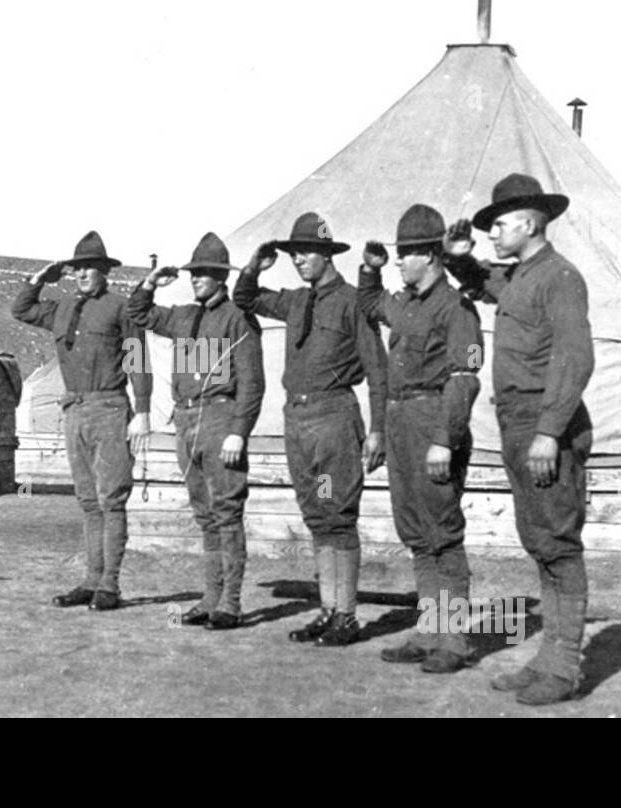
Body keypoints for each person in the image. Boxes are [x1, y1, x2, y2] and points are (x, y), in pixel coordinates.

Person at [443, 173, 595, 705]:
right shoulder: (523, 276)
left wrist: (550, 432)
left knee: (557, 543)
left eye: (499, 225)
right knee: (540, 543)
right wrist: (459, 257)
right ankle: (550, 659)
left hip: (543, 424)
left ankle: (564, 669)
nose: (492, 235)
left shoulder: (560, 277)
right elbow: (485, 282)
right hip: (518, 424)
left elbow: (575, 359)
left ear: (529, 223)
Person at [234, 212, 387, 646]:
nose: (298, 260)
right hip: (298, 425)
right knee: (318, 514)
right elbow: (246, 298)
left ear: (326, 255)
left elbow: (379, 372)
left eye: (306, 253)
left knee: (338, 514)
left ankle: (348, 615)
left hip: (334, 422)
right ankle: (328, 609)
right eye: (293, 253)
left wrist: (377, 431)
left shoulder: (354, 302)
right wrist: (252, 267)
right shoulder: (296, 301)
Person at [356, 204, 483, 674]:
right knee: (417, 535)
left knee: (443, 536)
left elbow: (466, 374)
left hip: (435, 421)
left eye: (404, 255)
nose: (398, 262)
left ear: (430, 256)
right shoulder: (404, 303)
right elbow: (371, 304)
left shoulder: (458, 307)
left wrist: (445, 439)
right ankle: (429, 632)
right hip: (400, 422)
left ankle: (454, 641)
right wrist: (368, 271)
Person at [128, 232, 264, 630]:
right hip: (185, 421)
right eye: (194, 273)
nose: (197, 279)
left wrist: (240, 430)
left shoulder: (237, 318)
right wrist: (151, 283)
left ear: (222, 277)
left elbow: (253, 383)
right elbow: (140, 314)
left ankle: (232, 603)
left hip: (221, 419)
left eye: (206, 273)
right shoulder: (184, 316)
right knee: (204, 516)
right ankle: (209, 597)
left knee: (227, 514)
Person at [11, 231, 152, 611]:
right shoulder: (62, 308)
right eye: (76, 268)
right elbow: (21, 310)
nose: (82, 274)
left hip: (110, 410)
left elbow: (138, 358)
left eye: (90, 267)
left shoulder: (121, 308)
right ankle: (91, 581)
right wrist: (39, 279)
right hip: (73, 411)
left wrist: (143, 411)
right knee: (88, 502)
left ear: (104, 271)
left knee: (112, 500)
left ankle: (110, 585)